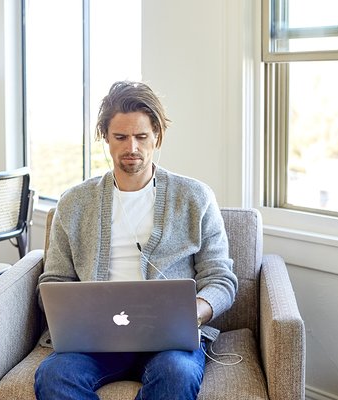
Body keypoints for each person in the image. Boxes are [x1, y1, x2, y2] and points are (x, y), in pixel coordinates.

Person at [34, 81, 238, 399]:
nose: (132, 147)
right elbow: (54, 280)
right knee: (54, 377)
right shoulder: (74, 203)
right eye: (120, 137)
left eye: (141, 136)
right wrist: (68, 313)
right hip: (95, 342)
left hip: (169, 343)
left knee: (177, 375)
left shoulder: (196, 197)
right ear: (105, 137)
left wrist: (192, 313)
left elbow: (221, 280)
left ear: (157, 136)